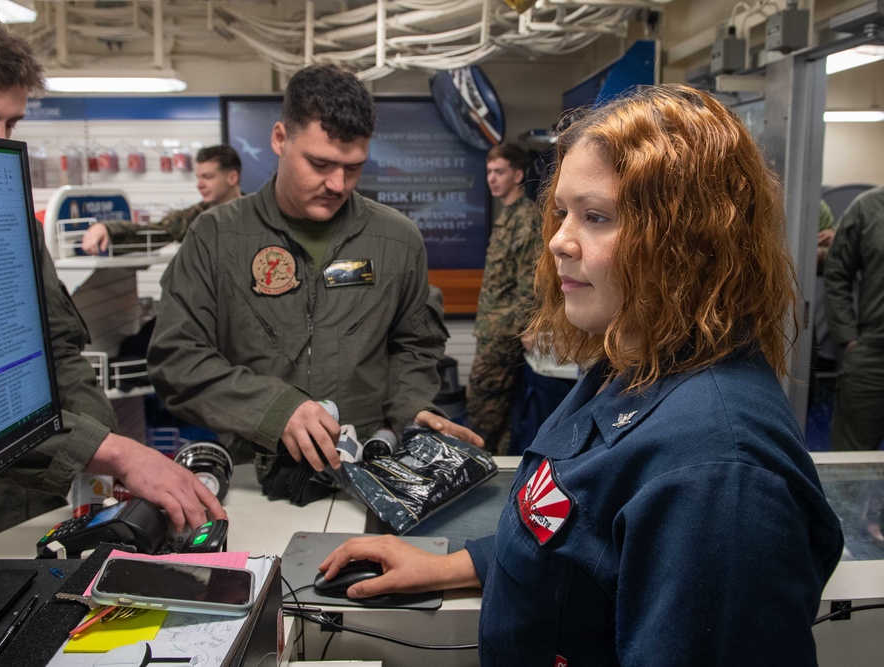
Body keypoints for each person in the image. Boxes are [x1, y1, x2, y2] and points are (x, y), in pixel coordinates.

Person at [319, 84, 844, 665]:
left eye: (596, 217)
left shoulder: (719, 472)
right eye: (563, 212)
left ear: (687, 240)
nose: (558, 241)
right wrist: (453, 565)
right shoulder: (637, 366)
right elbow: (572, 527)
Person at [0, 15, 222, 557]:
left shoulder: (3, 209)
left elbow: (57, 347)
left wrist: (104, 460)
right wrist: (107, 452)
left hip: (3, 503)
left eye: (11, 124)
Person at [148, 64, 481, 483]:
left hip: (369, 472)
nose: (338, 184)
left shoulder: (397, 241)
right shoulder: (216, 236)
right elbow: (176, 360)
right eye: (320, 163)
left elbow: (415, 346)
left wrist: (412, 408)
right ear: (279, 139)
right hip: (255, 473)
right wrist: (273, 409)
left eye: (354, 167)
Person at [466, 142, 541, 454]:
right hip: (492, 329)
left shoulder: (526, 219)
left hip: (504, 333)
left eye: (500, 171)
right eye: (489, 172)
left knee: (482, 412)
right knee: (499, 416)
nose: (492, 178)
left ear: (518, 175)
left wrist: (526, 326)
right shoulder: (507, 216)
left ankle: (476, 467)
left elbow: (530, 283)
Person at [81, 145, 243, 255]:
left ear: (232, 178)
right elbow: (150, 234)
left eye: (207, 177)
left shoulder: (260, 212)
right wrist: (106, 229)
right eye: (198, 177)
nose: (199, 185)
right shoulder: (192, 218)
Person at [824, 185, 884, 451]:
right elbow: (836, 274)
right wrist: (848, 337)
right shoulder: (868, 207)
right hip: (872, 357)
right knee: (850, 461)